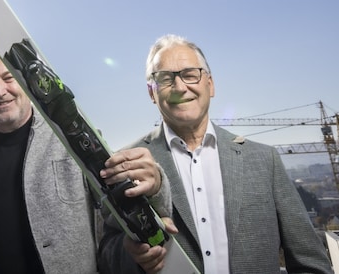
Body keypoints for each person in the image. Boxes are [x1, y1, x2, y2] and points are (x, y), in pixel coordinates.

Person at [99, 34, 333, 273]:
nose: (180, 87)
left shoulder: (265, 160)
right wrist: (132, 256)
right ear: (152, 92)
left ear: (210, 85)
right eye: (166, 78)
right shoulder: (128, 162)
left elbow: (311, 263)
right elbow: (107, 254)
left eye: (190, 74)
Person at [0, 44, 172, 274]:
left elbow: (117, 225)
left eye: (8, 77)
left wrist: (155, 185)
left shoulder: (73, 138)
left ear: (24, 81)